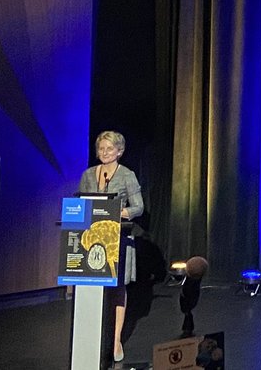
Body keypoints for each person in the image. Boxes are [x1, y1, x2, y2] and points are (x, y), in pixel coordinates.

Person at [79, 130, 144, 364]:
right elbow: (80, 202)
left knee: (116, 289)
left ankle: (115, 339)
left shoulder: (127, 175)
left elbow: (138, 207)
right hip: (92, 240)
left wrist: (119, 212)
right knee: (92, 289)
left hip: (118, 238)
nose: (104, 153)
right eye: (101, 149)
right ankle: (90, 338)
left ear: (120, 151)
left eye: (109, 149)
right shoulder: (88, 174)